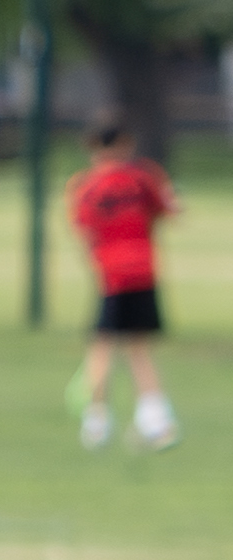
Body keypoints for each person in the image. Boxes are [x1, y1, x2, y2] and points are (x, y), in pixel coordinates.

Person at [70, 120, 176, 448]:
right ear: (125, 144)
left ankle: (97, 422)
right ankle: (154, 420)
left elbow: (83, 228)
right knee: (139, 347)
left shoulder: (87, 185)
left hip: (111, 277)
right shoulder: (143, 177)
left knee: (102, 347)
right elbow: (167, 209)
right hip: (142, 270)